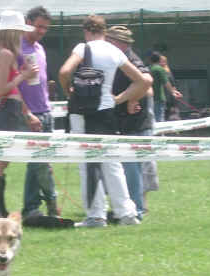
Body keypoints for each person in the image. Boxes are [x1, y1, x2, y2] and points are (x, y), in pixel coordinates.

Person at [58, 15, 150, 227]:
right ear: (104, 31)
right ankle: (126, 213)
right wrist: (119, 99)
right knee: (112, 162)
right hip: (107, 112)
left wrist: (68, 91)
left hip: (82, 112)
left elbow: (64, 71)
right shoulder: (114, 51)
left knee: (87, 164)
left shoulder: (82, 48)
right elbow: (142, 81)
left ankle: (96, 215)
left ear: (86, 31)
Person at [0, 10, 38, 218]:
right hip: (5, 109)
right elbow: (2, 89)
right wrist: (23, 75)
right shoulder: (5, 54)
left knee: (2, 158)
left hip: (6, 109)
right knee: (0, 159)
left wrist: (26, 112)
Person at [106, 25, 154, 220]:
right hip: (127, 122)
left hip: (134, 124)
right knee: (129, 167)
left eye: (109, 41)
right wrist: (131, 97)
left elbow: (147, 82)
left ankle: (137, 209)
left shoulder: (131, 60)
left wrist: (120, 99)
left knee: (131, 167)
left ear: (120, 43)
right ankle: (133, 207)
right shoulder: (121, 59)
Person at [17, 6, 60, 221]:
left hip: (46, 111)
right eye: (38, 26)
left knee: (36, 163)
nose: (42, 31)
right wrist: (27, 114)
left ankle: (30, 208)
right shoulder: (17, 49)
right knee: (40, 163)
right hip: (30, 114)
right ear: (27, 22)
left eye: (45, 28)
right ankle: (52, 201)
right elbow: (12, 86)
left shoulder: (40, 49)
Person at [150, 51, 182, 123]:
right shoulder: (159, 69)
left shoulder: (149, 68)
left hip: (150, 98)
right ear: (159, 60)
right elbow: (167, 83)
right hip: (159, 97)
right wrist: (173, 93)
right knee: (159, 120)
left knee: (152, 119)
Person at [159, 54, 180, 120]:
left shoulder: (167, 73)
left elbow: (173, 85)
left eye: (162, 61)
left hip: (168, 97)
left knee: (169, 114)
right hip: (163, 97)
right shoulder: (161, 71)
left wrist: (174, 94)